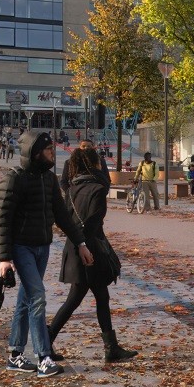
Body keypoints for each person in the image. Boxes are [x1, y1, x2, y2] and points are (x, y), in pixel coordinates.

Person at [0, 131, 93, 378]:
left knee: (26, 300)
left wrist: (80, 242)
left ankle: (15, 355)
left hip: (43, 247)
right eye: (49, 150)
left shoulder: (48, 180)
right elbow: (3, 220)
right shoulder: (14, 179)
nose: (53, 153)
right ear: (36, 152)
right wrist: (4, 258)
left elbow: (62, 215)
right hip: (21, 248)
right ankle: (44, 357)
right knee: (37, 297)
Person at [47, 146, 135, 363]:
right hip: (90, 249)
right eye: (98, 162)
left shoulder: (71, 189)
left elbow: (65, 219)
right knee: (80, 298)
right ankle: (47, 340)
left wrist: (77, 241)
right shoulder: (97, 189)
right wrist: (84, 243)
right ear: (94, 164)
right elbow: (94, 222)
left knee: (92, 297)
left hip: (76, 246)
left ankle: (110, 348)